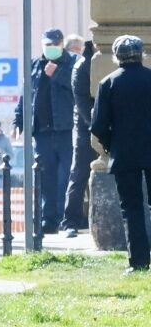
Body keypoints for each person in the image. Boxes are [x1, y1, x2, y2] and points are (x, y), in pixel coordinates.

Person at [90, 35, 151, 274]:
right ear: (141, 54)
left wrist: (108, 145)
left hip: (124, 153)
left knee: (132, 207)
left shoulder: (108, 83)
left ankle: (139, 261)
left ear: (116, 57)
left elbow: (98, 126)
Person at [14, 27, 76, 236]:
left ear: (61, 44)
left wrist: (56, 73)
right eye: (47, 44)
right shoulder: (34, 64)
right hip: (41, 131)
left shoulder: (72, 62)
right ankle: (47, 220)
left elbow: (78, 88)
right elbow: (25, 95)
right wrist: (18, 121)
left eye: (55, 44)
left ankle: (65, 220)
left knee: (65, 177)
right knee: (45, 177)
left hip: (65, 130)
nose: (51, 48)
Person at [65, 38, 98, 236]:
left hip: (100, 123)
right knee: (79, 173)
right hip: (85, 127)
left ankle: (79, 218)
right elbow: (83, 102)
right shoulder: (82, 66)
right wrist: (96, 126)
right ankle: (71, 221)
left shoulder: (99, 62)